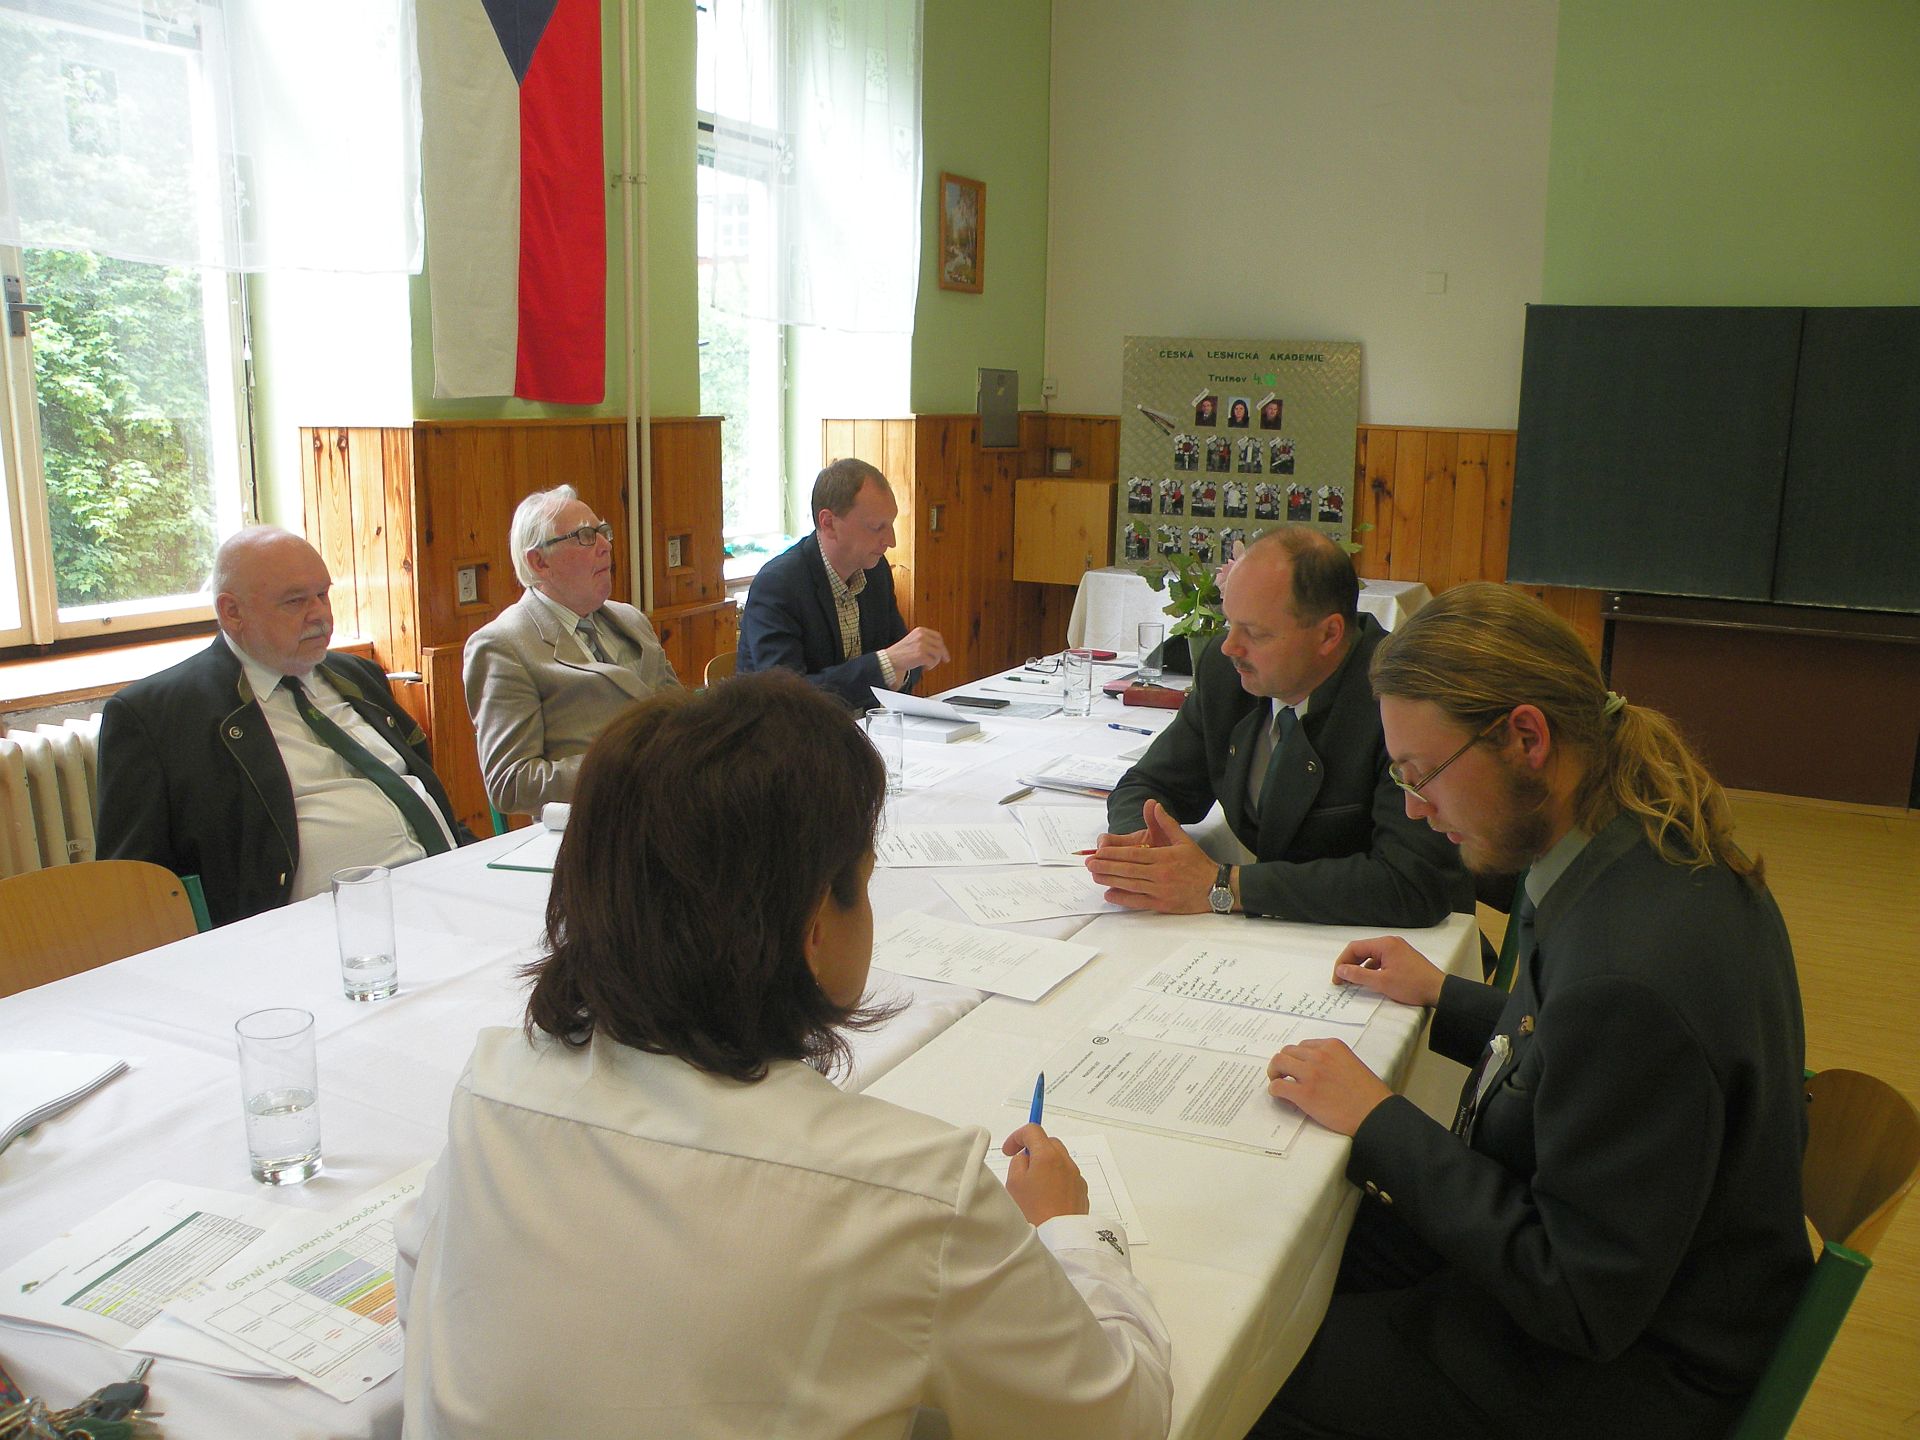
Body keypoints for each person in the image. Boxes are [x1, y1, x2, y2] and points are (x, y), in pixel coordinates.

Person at [395, 672, 1172, 1438]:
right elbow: (1120, 1419)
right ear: (813, 926)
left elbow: (421, 1294)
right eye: (863, 882)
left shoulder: (490, 1089)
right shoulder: (912, 1191)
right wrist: (1070, 1233)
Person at [1254, 583, 1810, 1440]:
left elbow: (1577, 1298)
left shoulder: (1629, 977)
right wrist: (1445, 996)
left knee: (1259, 1360)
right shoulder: (1630, 846)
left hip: (1634, 1368)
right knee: (1290, 1248)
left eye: (1421, 774)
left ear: (1526, 737)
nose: (1413, 808)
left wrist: (1379, 1117)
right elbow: (1572, 1046)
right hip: (1635, 1278)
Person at [1088, 527, 1468, 924]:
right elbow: (1149, 784)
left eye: (1255, 633)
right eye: (1229, 622)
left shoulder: (1400, 702)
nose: (1229, 647)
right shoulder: (1227, 674)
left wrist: (1224, 885)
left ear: (1329, 634)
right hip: (1283, 931)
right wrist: (1142, 846)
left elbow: (1412, 883)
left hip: (1400, 943)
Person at [96, 527, 469, 927]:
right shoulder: (158, 715)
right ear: (232, 612)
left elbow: (418, 784)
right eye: (295, 601)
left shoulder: (358, 675)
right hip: (304, 931)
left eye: (323, 594)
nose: (320, 614)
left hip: (447, 887)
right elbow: (135, 886)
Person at [463, 485, 679, 815]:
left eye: (603, 532)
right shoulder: (504, 645)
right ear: (539, 561)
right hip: (597, 821)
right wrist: (629, 767)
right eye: (585, 536)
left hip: (674, 805)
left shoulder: (631, 619)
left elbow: (680, 714)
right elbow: (511, 783)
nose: (606, 546)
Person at [737, 458, 949, 709]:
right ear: (828, 523)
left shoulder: (876, 571)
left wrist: (901, 663)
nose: (891, 541)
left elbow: (905, 662)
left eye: (891, 524)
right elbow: (788, 698)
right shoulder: (778, 585)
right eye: (877, 527)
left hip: (864, 727)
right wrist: (886, 665)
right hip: (787, 732)